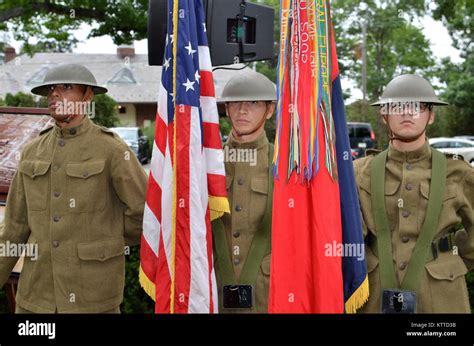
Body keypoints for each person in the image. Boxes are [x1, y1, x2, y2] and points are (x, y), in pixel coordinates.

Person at [0, 63, 148, 313]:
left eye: (67, 87)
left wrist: (105, 239)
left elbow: (143, 210)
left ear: (87, 96)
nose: (55, 94)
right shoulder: (32, 151)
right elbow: (14, 227)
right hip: (36, 297)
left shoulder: (112, 150)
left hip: (93, 296)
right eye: (51, 89)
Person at [354, 74, 473, 313]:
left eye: (416, 106)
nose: (407, 113)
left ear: (431, 115)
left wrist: (450, 257)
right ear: (384, 114)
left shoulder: (458, 172)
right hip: (374, 293)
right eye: (397, 106)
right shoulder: (358, 172)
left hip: (441, 295)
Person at [212, 71, 276, 313]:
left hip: (266, 291)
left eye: (253, 103)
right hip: (215, 286)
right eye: (235, 103)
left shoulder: (284, 164)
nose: (242, 110)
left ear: (269, 111)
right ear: (226, 109)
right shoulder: (208, 161)